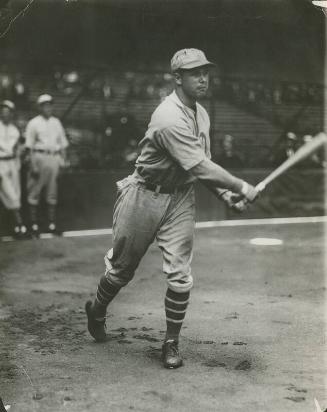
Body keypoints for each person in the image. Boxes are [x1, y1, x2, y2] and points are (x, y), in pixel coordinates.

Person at [85, 49, 258, 369]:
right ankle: (96, 308)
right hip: (144, 194)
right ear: (177, 78)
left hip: (180, 198)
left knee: (180, 275)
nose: (203, 77)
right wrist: (240, 186)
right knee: (122, 270)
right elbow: (199, 164)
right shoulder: (167, 117)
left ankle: (170, 342)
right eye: (194, 73)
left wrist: (224, 195)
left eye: (205, 71)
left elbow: (200, 167)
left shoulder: (202, 114)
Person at [25, 94, 69, 237]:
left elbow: (62, 144)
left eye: (50, 104)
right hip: (39, 156)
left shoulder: (56, 122)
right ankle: (34, 225)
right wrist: (33, 165)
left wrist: (63, 161)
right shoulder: (33, 123)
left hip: (54, 158)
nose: (48, 107)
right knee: (34, 192)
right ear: (40, 107)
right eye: (44, 105)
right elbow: (29, 146)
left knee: (52, 193)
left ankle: (51, 224)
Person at [0, 100, 27, 238]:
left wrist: (17, 164)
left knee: (15, 194)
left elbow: (17, 150)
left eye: (8, 112)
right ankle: (19, 224)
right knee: (9, 194)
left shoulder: (14, 130)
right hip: (0, 164)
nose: (5, 114)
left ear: (11, 114)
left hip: (12, 164)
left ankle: (16, 228)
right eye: (3, 112)